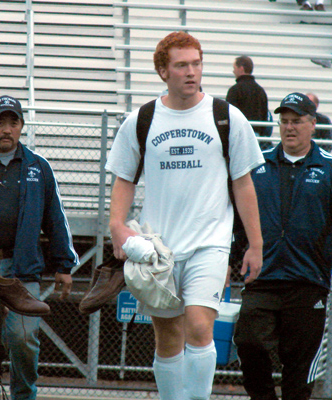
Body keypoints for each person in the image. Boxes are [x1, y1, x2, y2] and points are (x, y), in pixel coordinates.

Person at [106, 31, 264, 400]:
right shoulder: (141, 119)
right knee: (168, 336)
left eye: (196, 63)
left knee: (197, 325)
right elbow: (123, 179)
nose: (191, 72)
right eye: (181, 65)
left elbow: (243, 185)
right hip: (158, 249)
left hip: (210, 243)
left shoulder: (227, 117)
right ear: (163, 71)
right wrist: (117, 227)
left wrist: (255, 243)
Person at [233, 92, 332, 400]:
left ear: (312, 125)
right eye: (284, 122)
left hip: (308, 283)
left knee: (299, 368)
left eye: (296, 122)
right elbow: (235, 220)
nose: (289, 128)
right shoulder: (257, 166)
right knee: (248, 344)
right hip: (261, 279)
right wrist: (231, 259)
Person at [0, 95, 79, 400]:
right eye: (0, 121)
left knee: (23, 338)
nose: (7, 129)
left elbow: (55, 217)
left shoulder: (38, 167)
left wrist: (64, 265)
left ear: (22, 127)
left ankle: (24, 395)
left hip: (22, 267)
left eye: (13, 122)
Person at [226, 55, 271, 150]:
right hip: (257, 138)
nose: (233, 71)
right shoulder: (260, 91)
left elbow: (229, 116)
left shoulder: (234, 90)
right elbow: (264, 115)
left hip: (239, 138)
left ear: (241, 68)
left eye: (234, 68)